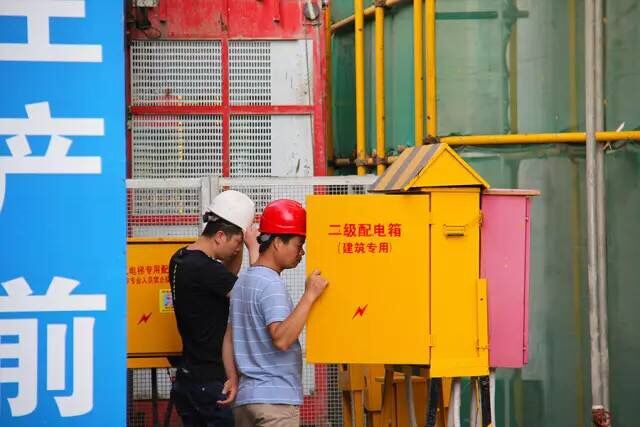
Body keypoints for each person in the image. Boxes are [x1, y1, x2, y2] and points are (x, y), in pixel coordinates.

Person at [229, 199, 329, 426]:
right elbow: (281, 339)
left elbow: (228, 338)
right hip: (275, 403)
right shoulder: (271, 284)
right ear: (277, 243)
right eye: (298, 244)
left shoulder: (243, 281)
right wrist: (309, 296)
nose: (302, 252)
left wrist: (233, 379)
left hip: (246, 400)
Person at [169, 190, 259, 427]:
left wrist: (239, 241)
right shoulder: (207, 269)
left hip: (187, 378)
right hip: (211, 384)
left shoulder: (180, 258)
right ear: (220, 236)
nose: (238, 250)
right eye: (237, 243)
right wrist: (253, 248)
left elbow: (225, 278)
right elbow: (255, 296)